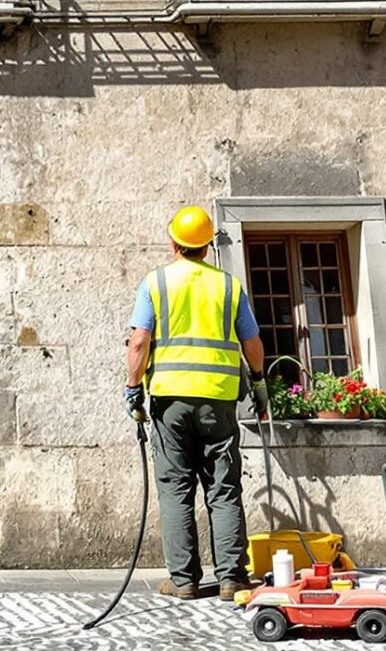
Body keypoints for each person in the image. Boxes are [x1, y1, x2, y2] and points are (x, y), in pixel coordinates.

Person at [125, 205, 269, 602]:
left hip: (170, 401)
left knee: (175, 489)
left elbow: (139, 342)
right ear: (207, 246)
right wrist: (259, 383)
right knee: (223, 488)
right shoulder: (229, 286)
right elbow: (252, 342)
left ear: (173, 241)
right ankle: (231, 579)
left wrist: (133, 388)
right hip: (219, 400)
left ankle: (184, 580)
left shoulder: (155, 283)